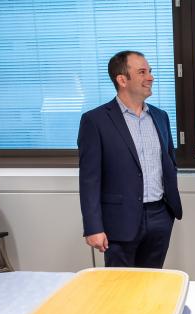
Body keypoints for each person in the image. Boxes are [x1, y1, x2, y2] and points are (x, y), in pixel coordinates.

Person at [77, 50, 182, 267]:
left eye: (150, 71)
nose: (150, 77)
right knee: (120, 288)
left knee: (152, 284)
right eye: (142, 72)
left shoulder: (160, 117)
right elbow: (89, 180)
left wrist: (169, 210)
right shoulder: (95, 121)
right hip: (119, 220)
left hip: (160, 216)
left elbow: (169, 161)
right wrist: (93, 227)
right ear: (122, 79)